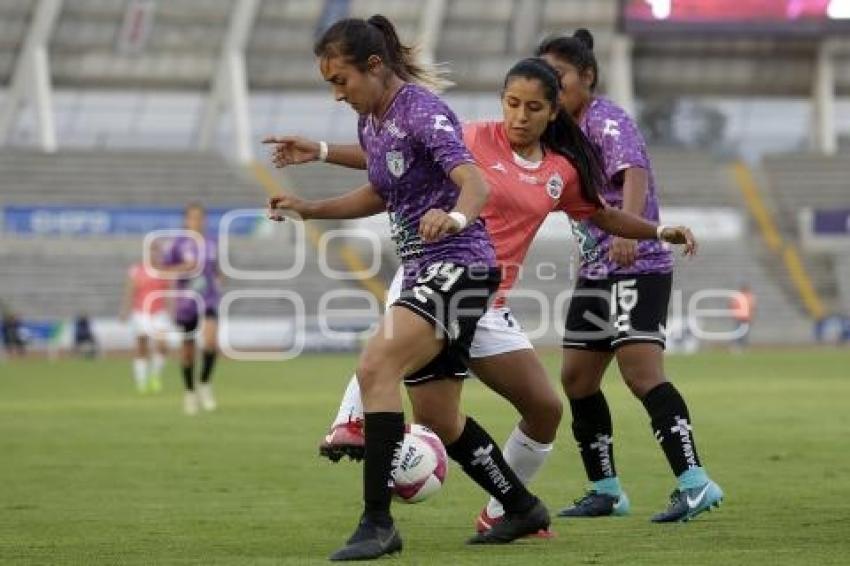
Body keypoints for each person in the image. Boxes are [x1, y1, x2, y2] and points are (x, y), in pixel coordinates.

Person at [265, 56, 699, 537]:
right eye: (512, 103)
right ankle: (352, 424)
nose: (519, 115)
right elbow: (391, 157)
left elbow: (603, 216)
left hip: (488, 303)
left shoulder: (561, 171)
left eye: (533, 107)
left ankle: (504, 510)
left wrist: (660, 230)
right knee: (398, 377)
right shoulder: (472, 137)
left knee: (544, 409)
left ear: (553, 112)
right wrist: (322, 150)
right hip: (441, 276)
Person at [268, 15, 553, 560]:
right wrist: (311, 209)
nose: (336, 94)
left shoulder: (421, 109)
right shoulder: (372, 121)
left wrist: (456, 218)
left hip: (461, 264)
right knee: (440, 419)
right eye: (329, 83)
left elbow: (475, 180)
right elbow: (382, 191)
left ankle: (377, 523)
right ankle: (522, 507)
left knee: (376, 365)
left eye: (341, 80)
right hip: (429, 271)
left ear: (374, 66)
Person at [536, 29, 723, 522]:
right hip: (596, 272)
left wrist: (634, 234)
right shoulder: (557, 132)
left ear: (587, 77)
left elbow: (632, 172)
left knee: (641, 376)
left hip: (635, 265)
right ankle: (606, 491)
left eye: (560, 79)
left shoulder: (606, 119)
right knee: (576, 379)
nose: (553, 91)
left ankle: (695, 482)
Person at [159, 204, 221, 415]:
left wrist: (219, 278)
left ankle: (204, 383)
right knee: (187, 352)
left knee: (211, 342)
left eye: (200, 217)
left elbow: (219, 268)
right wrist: (181, 268)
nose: (197, 221)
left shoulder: (213, 242)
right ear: (186, 220)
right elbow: (163, 269)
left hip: (209, 299)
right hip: (186, 303)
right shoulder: (177, 244)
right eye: (193, 217)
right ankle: (189, 391)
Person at [120, 240, 171, 393]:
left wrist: (172, 310)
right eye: (151, 250)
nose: (154, 253)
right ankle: (141, 381)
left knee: (162, 346)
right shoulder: (136, 270)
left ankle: (155, 376)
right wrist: (125, 310)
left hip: (159, 312)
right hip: (141, 312)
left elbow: (169, 292)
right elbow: (129, 291)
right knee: (142, 346)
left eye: (157, 250)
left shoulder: (164, 271)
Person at [730, 283, 755, 351]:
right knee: (738, 333)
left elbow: (752, 307)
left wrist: (751, 316)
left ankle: (744, 346)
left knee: (745, 334)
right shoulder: (739, 296)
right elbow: (733, 306)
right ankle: (737, 346)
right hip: (739, 318)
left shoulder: (748, 296)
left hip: (746, 318)